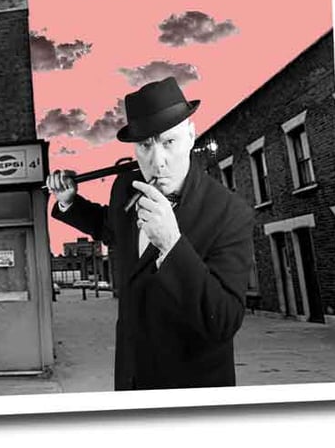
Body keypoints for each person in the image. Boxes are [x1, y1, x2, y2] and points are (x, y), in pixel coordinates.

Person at [46, 76, 254, 390]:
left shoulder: (230, 213)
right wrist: (69, 202)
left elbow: (224, 321)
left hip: (190, 391)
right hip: (130, 380)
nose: (158, 162)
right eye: (145, 145)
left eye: (169, 142)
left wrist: (171, 244)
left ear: (191, 136)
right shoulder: (126, 187)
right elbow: (110, 227)